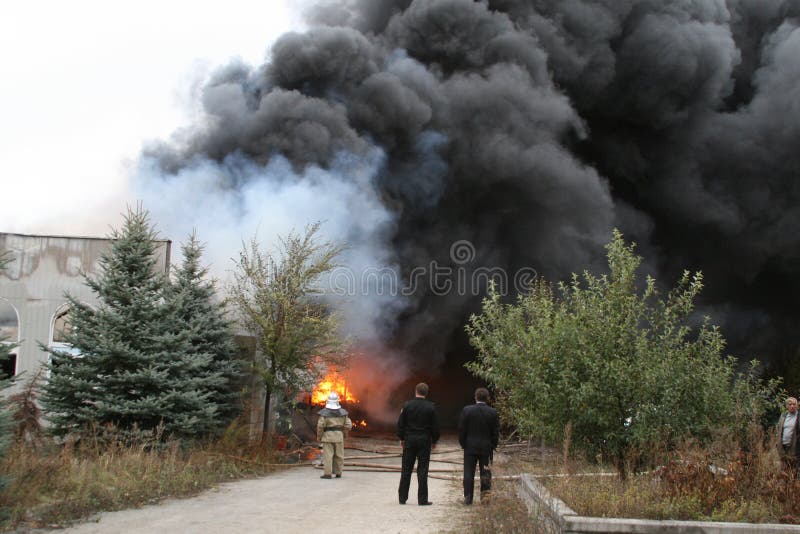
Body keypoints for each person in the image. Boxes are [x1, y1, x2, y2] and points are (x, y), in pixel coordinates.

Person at [397, 382, 440, 505]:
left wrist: (401, 438)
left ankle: (402, 498)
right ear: (426, 393)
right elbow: (435, 427)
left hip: (409, 440)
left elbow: (401, 424)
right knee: (422, 470)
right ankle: (422, 499)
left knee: (406, 469)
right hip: (424, 441)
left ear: (415, 391)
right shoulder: (431, 407)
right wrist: (434, 440)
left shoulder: (407, 406)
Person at [458, 387, 499, 505]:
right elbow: (495, 432)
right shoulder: (493, 412)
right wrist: (493, 445)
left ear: (475, 397)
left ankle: (468, 498)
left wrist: (463, 444)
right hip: (486, 447)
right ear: (488, 398)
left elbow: (462, 429)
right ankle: (485, 499)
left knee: (468, 473)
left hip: (470, 446)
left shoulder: (467, 410)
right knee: (485, 473)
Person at [316, 392, 352, 479]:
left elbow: (320, 426)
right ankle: (338, 472)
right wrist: (344, 434)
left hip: (327, 437)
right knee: (339, 455)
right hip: (339, 437)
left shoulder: (324, 414)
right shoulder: (343, 413)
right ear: (337, 401)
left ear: (328, 401)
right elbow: (348, 425)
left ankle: (327, 474)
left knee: (328, 455)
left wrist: (319, 437)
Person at [777, 396, 800, 472]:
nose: (792, 406)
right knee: (784, 469)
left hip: (795, 447)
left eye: (794, 404)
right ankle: (785, 483)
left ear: (797, 405)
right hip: (783, 447)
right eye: (790, 404)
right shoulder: (783, 416)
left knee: (794, 469)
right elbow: (779, 430)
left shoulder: (798, 416)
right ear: (787, 406)